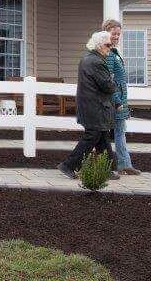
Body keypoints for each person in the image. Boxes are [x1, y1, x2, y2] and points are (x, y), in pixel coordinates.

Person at [57, 30, 120, 180]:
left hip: (91, 106)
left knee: (102, 137)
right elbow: (107, 86)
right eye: (108, 45)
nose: (110, 48)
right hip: (95, 107)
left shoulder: (88, 58)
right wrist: (113, 82)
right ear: (99, 45)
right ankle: (68, 165)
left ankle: (106, 169)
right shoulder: (96, 62)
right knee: (92, 136)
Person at [103, 18, 140, 175]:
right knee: (110, 133)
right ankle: (122, 164)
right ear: (106, 33)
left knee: (119, 131)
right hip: (114, 101)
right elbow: (109, 80)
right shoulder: (109, 54)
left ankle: (124, 164)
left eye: (118, 34)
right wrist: (118, 101)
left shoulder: (114, 52)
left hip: (120, 99)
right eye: (114, 33)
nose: (117, 37)